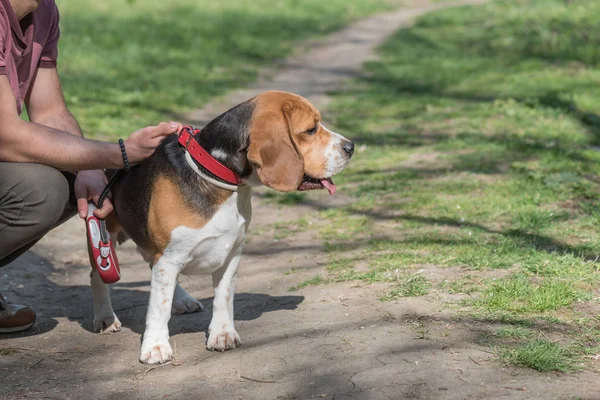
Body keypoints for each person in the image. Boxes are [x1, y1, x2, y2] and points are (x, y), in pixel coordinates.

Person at [0, 0, 181, 332]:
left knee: (77, 180)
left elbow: (51, 112)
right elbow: (6, 135)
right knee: (39, 191)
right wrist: (119, 153)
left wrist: (90, 167)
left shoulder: (42, 11)